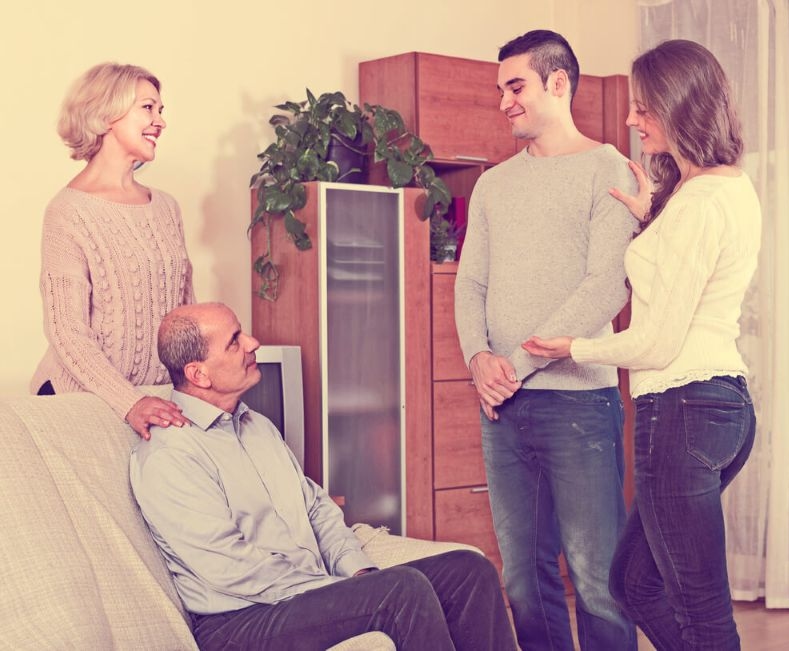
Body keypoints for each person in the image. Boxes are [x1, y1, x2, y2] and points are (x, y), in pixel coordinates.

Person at [523, 39, 761, 650]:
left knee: (703, 610)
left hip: (682, 409)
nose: (631, 119)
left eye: (643, 107)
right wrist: (654, 211)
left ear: (679, 106)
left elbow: (655, 343)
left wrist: (573, 346)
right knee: (634, 582)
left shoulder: (698, 204)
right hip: (720, 407)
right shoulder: (724, 188)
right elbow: (691, 276)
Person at [130, 301, 516, 651]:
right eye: (234, 341)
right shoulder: (170, 455)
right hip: (237, 620)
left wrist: (358, 571)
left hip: (302, 593)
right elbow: (229, 568)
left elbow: (315, 508)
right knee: (402, 591)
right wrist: (337, 588)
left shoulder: (257, 426)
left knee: (469, 570)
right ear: (199, 374)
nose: (253, 342)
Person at [454, 29, 639, 650]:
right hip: (501, 405)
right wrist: (478, 361)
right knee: (525, 584)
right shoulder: (492, 185)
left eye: (516, 86)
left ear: (558, 83)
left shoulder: (606, 168)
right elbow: (469, 282)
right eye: (500, 89)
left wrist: (514, 363)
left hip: (579, 405)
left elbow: (606, 287)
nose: (504, 101)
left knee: (595, 580)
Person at [31, 62, 193, 439]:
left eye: (160, 110)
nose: (160, 121)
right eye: (147, 108)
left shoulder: (166, 206)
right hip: (84, 400)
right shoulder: (68, 212)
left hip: (155, 399)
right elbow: (66, 331)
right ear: (105, 116)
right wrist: (129, 402)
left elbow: (184, 313)